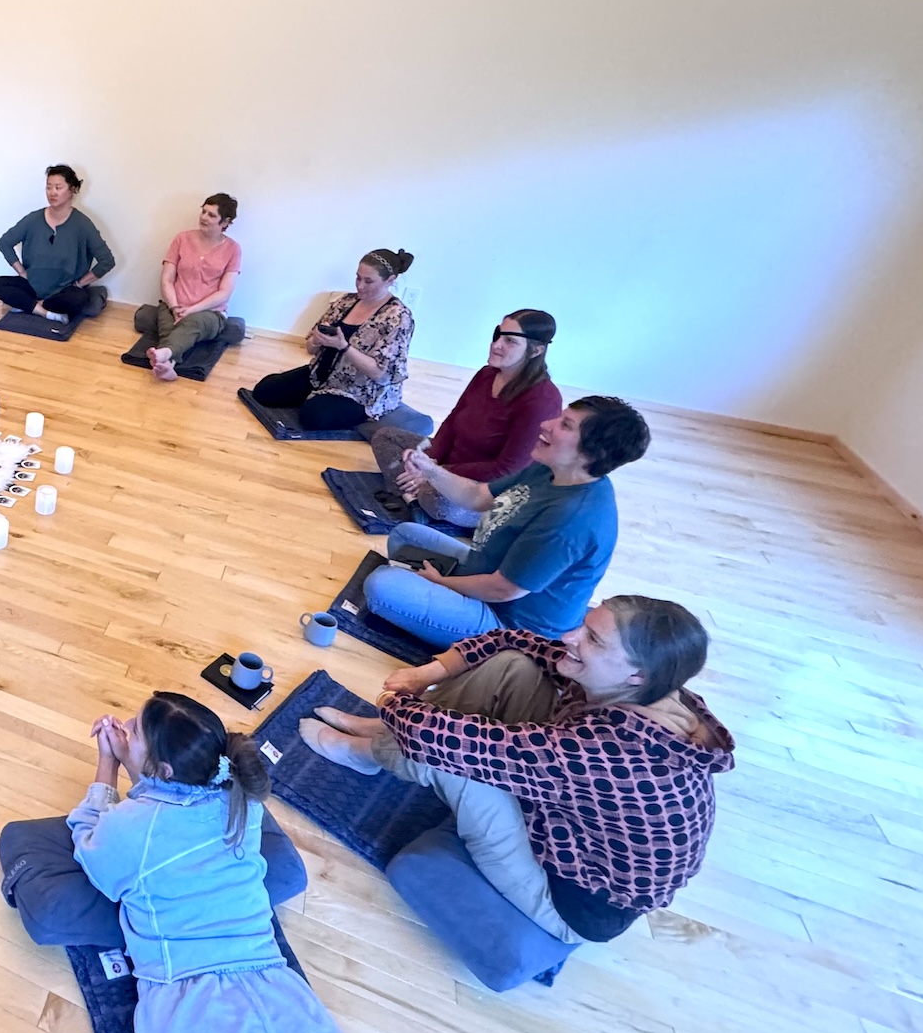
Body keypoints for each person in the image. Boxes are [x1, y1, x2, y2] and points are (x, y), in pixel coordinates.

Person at [299, 598, 735, 945]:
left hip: (569, 897)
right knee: (514, 669)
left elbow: (442, 740)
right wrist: (425, 675)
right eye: (585, 624)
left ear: (636, 675)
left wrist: (397, 702)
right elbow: (516, 642)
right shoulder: (656, 689)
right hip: (574, 822)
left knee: (454, 762)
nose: (570, 635)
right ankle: (379, 737)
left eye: (594, 640)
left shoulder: (610, 751)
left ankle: (365, 752)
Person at [70, 692, 343, 1033]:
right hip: (276, 984)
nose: (123, 727)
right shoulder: (241, 801)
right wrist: (137, 764)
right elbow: (166, 805)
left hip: (186, 994)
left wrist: (108, 763)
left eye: (135, 730)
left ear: (165, 770)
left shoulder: (130, 827)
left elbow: (93, 854)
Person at [360, 396, 651, 647]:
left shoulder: (571, 519)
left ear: (592, 453)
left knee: (381, 587)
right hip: (488, 568)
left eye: (565, 425)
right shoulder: (549, 470)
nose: (546, 424)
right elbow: (477, 496)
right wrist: (428, 469)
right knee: (405, 535)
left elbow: (504, 590)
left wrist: (442, 583)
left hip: (512, 625)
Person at [367, 310, 563, 527]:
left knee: (439, 501)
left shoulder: (541, 401)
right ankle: (413, 497)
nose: (496, 345)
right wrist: (430, 459)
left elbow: (505, 471)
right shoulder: (486, 374)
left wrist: (436, 473)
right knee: (386, 437)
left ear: (536, 350)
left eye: (509, 341)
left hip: (482, 487)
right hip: (446, 465)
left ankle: (412, 493)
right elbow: (452, 421)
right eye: (497, 335)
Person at [249, 249, 416, 430]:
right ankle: (317, 397)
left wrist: (343, 347)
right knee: (263, 391)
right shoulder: (346, 301)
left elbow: (380, 373)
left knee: (314, 416)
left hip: (361, 393)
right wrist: (316, 340)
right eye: (358, 278)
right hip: (320, 376)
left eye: (368, 281)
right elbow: (310, 348)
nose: (360, 285)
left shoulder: (397, 317)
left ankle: (325, 403)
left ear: (390, 280)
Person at [136, 194, 243, 381]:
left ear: (225, 222)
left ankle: (164, 353)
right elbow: (166, 280)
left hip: (209, 312)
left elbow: (224, 293)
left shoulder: (233, 249)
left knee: (192, 323)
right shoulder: (182, 238)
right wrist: (175, 307)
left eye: (211, 215)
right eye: (203, 212)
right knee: (169, 325)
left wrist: (191, 310)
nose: (203, 217)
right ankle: (169, 364)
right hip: (173, 305)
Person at [0, 165, 116, 322]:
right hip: (32, 286)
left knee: (78, 299)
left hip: (63, 292)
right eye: (49, 187)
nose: (52, 192)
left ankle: (30, 306)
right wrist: (22, 272)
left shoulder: (82, 224)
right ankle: (44, 312)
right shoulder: (33, 219)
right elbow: (5, 243)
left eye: (58, 187)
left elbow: (107, 261)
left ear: (73, 190)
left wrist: (79, 284)